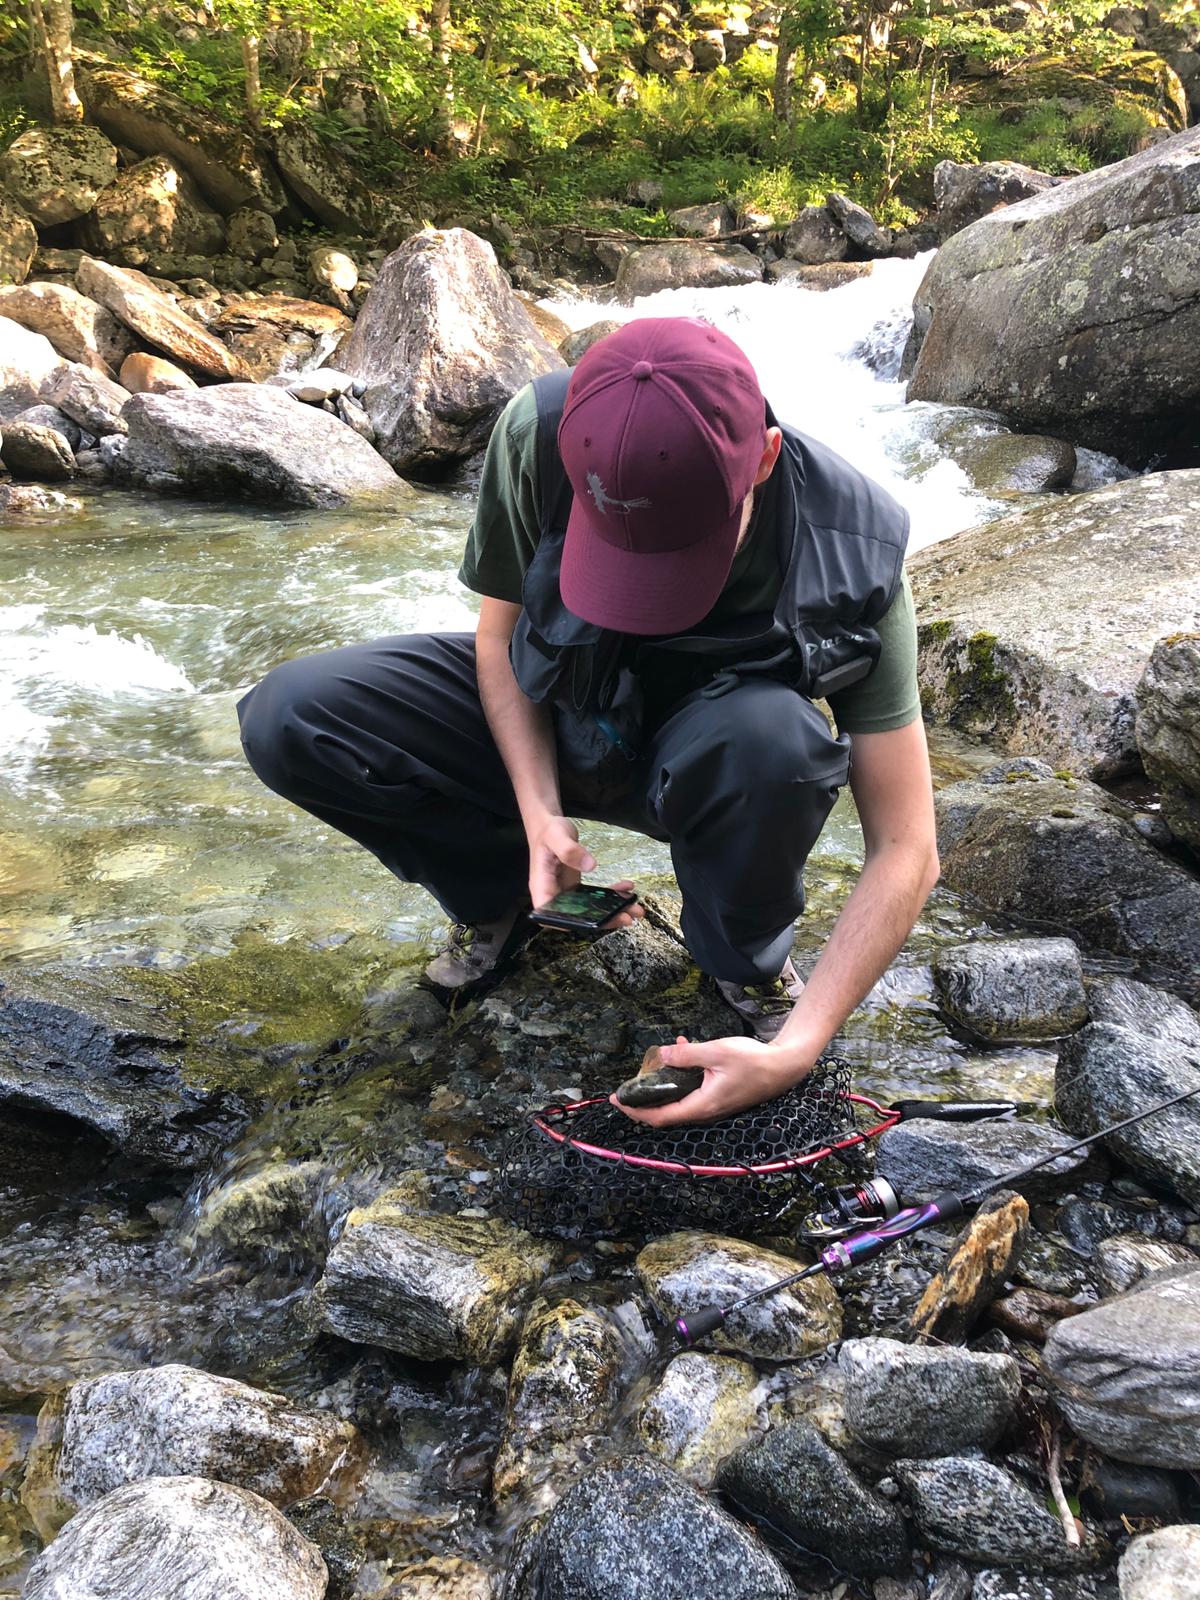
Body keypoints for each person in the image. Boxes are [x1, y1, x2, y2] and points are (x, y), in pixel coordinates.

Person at [237, 317, 939, 1129]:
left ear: (767, 458)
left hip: (713, 757)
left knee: (774, 743)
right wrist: (539, 815)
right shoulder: (539, 432)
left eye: (683, 551)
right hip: (567, 708)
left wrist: (802, 1045)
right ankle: (500, 900)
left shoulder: (853, 547)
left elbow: (907, 847)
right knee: (293, 714)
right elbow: (498, 639)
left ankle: (742, 966)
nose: (653, 584)